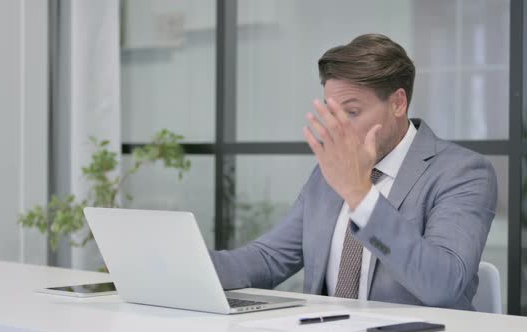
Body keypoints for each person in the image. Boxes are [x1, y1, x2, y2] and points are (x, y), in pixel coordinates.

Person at [209, 33, 498, 310]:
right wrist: (182, 266)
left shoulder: (462, 172)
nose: (339, 127)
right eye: (332, 112)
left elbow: (442, 284)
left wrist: (359, 194)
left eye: (352, 112)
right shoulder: (330, 171)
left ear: (398, 103)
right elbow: (269, 258)